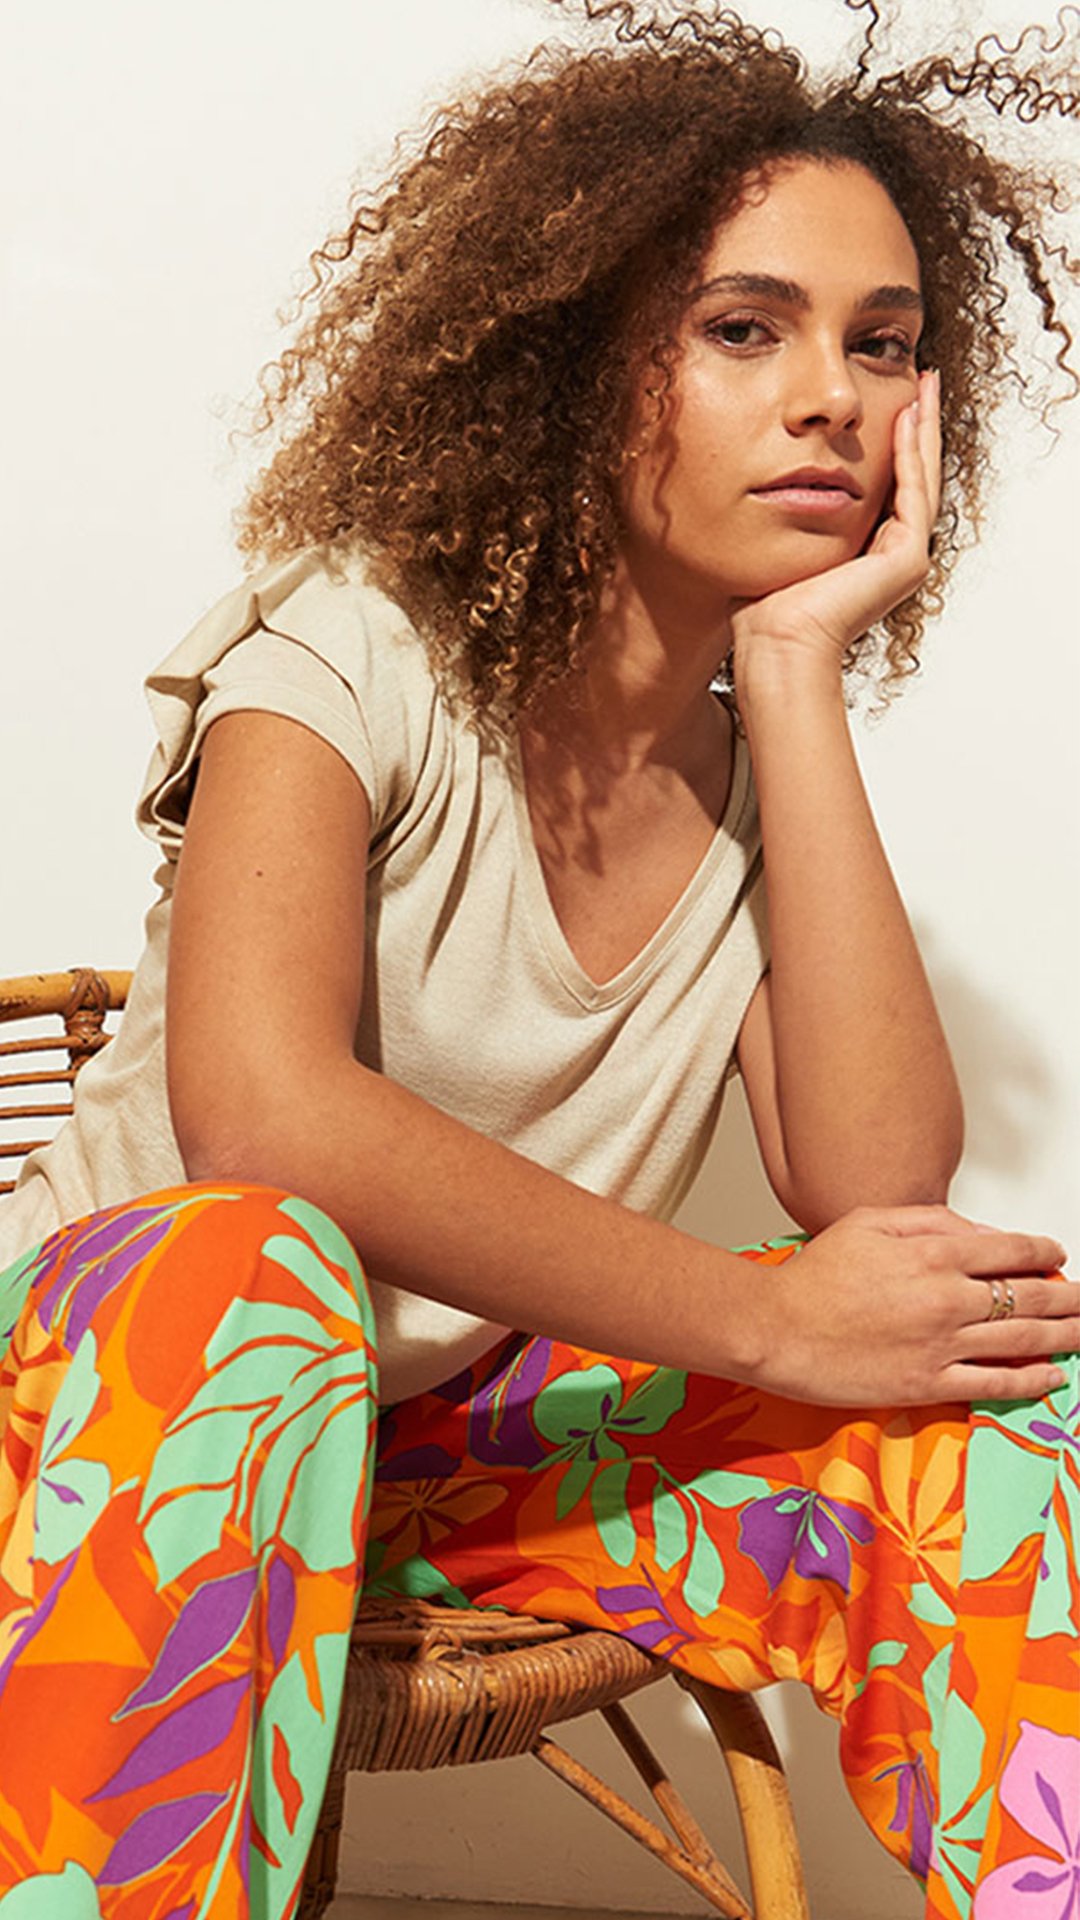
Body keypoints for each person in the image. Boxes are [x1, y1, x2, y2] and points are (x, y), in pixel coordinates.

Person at [0, 1, 1077, 1915]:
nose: (831, 398)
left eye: (881, 343)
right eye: (743, 328)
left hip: (427, 1469)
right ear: (581, 363)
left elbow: (875, 1192)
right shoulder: (344, 645)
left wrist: (798, 677)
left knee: (985, 1369)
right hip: (100, 1442)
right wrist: (762, 1323)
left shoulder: (759, 777)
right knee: (250, 1266)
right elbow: (262, 1119)